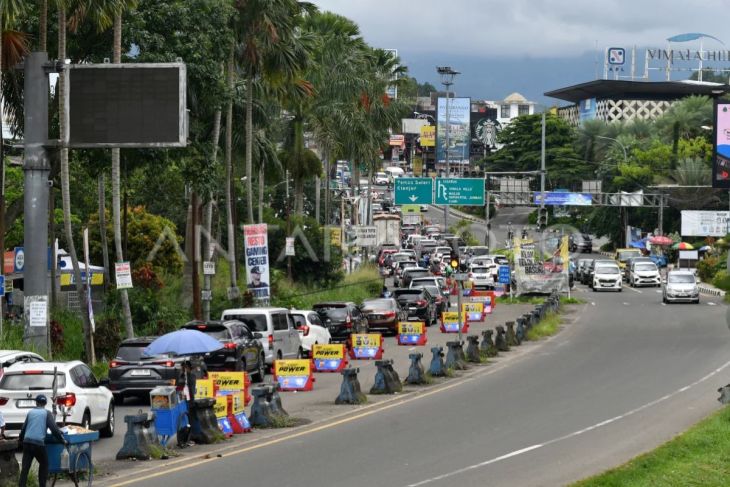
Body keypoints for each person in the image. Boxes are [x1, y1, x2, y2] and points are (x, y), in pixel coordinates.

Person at [18, 395, 67, 487]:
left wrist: (20, 440)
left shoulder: (30, 412)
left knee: (25, 468)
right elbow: (54, 429)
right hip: (38, 444)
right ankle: (42, 485)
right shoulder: (46, 413)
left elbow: (23, 429)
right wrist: (62, 440)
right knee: (44, 464)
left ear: (36, 403)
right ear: (45, 404)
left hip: (27, 442)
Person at [176, 360, 197, 448]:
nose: (184, 369)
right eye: (183, 367)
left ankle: (186, 439)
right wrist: (183, 379)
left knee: (189, 421)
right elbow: (178, 386)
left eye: (185, 367)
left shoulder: (192, 376)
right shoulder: (180, 376)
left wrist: (187, 378)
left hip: (189, 401)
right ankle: (181, 440)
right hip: (181, 401)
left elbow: (192, 389)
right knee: (182, 421)